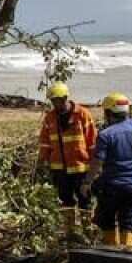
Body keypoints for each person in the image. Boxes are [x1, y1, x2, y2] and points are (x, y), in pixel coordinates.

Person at [82, 94, 132, 247]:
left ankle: (112, 252)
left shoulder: (106, 135)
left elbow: (97, 162)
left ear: (108, 113)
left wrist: (87, 182)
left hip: (111, 186)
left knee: (107, 220)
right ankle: (128, 252)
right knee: (128, 222)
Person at [38, 82, 98, 238]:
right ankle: (70, 232)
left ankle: (88, 231)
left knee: (85, 201)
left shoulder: (82, 114)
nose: (55, 104)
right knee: (65, 201)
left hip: (81, 168)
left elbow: (92, 142)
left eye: (57, 100)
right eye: (53, 101)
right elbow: (45, 142)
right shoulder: (50, 118)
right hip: (59, 169)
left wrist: (94, 167)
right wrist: (42, 162)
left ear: (65, 98)